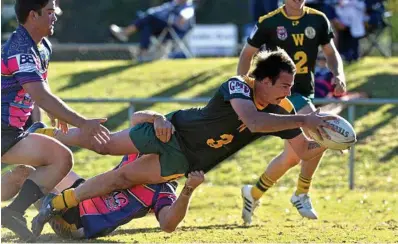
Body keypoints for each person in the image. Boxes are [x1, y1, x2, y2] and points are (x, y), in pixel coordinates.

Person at [32, 49, 340, 236]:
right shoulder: (238, 86)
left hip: (185, 159)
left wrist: (331, 141)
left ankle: (55, 204)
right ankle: (44, 135)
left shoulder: (283, 111)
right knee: (104, 144)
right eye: (284, 85)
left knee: (119, 178)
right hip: (171, 129)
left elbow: (302, 151)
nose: (289, 93)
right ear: (265, 80)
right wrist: (304, 120)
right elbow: (255, 121)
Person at [1, 0, 110, 241]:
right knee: (59, 158)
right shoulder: (20, 48)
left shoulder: (42, 45)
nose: (55, 17)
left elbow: (42, 85)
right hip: (3, 130)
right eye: (50, 12)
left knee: (58, 158)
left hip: (10, 131)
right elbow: (39, 93)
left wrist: (53, 111)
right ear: (33, 15)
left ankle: (14, 213)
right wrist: (83, 122)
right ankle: (14, 212)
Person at [237, 0, 346, 223]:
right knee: (320, 129)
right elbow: (247, 54)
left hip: (304, 93)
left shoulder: (317, 19)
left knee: (292, 157)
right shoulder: (270, 22)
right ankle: (301, 193)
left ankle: (253, 193)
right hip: (281, 94)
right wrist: (243, 86)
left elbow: (331, 51)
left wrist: (338, 74)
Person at [109, 0, 195, 61]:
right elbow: (156, 11)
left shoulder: (188, 6)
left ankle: (126, 33)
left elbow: (186, 15)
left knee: (147, 20)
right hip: (161, 28)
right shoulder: (172, 4)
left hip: (173, 30)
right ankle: (142, 53)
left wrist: (183, 18)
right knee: (146, 24)